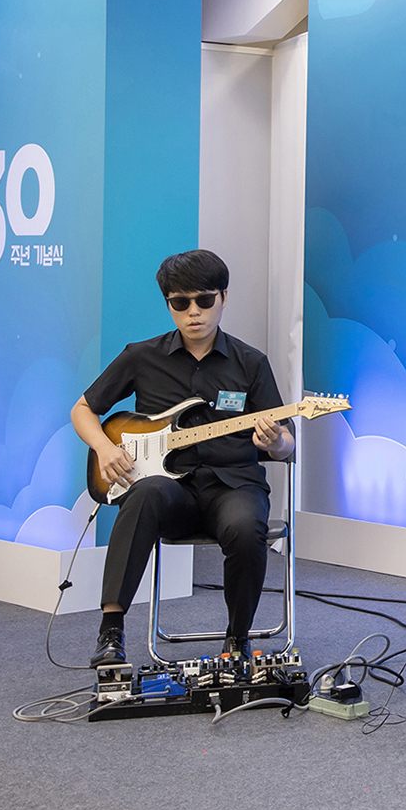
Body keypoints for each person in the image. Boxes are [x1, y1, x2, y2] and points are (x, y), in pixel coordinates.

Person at [76, 250, 293, 668]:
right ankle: (111, 631)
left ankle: (238, 638)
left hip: (234, 485)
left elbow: (286, 444)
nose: (193, 312)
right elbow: (83, 409)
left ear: (224, 297)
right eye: (180, 303)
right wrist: (104, 448)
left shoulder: (251, 363)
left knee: (248, 525)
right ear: (169, 304)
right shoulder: (141, 356)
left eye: (204, 300)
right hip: (170, 492)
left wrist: (274, 442)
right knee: (143, 495)